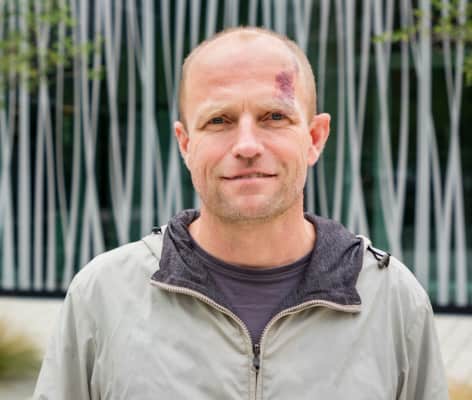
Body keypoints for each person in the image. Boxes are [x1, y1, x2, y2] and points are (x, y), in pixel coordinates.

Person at [34, 27, 448, 399]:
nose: (247, 145)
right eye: (219, 120)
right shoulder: (103, 295)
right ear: (185, 144)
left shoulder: (392, 301)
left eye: (274, 116)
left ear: (315, 137)